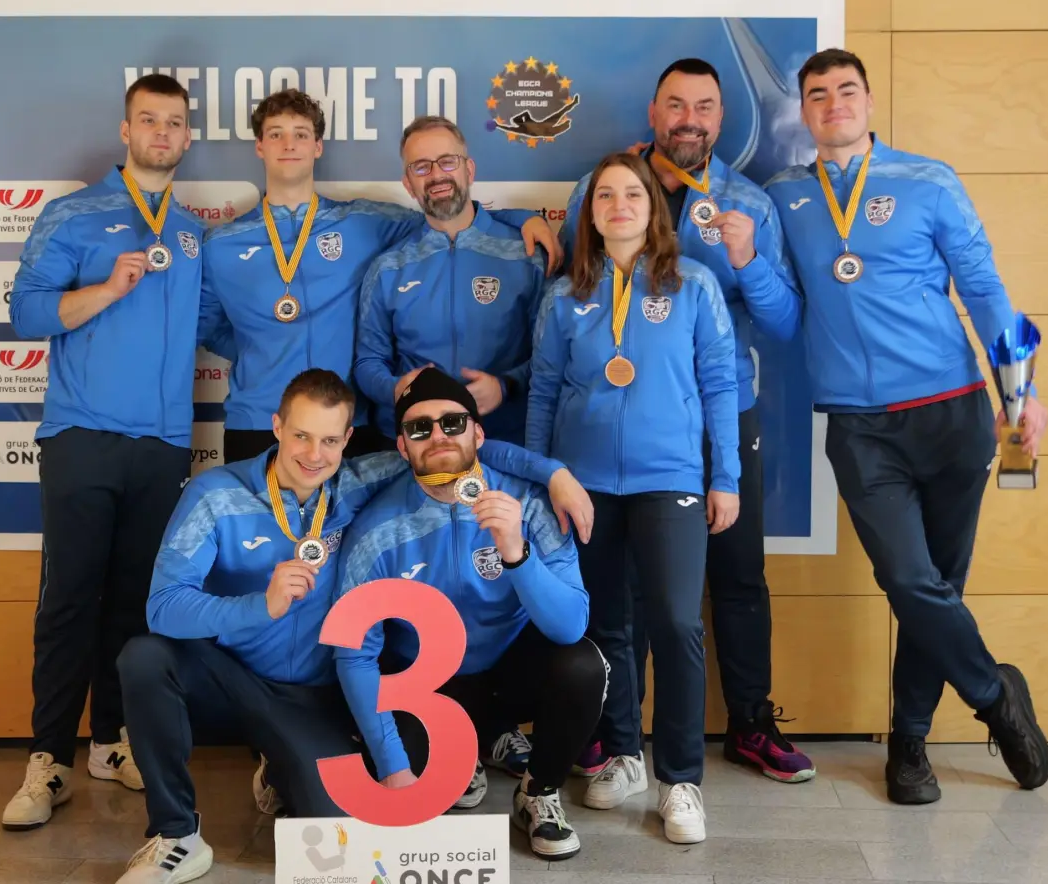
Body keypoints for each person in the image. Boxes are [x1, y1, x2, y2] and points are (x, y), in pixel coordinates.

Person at [112, 369, 586, 882]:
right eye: (301, 435)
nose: (315, 454)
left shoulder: (357, 481)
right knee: (145, 657)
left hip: (313, 696)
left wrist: (553, 472)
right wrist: (258, 606)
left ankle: (280, 763)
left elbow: (455, 452)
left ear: (347, 441)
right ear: (276, 426)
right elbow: (162, 607)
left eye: (331, 440)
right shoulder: (213, 493)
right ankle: (176, 835)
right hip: (227, 678)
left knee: (337, 832)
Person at [762, 48, 1048, 805]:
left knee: (938, 586)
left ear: (868, 98)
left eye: (846, 90)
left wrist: (1020, 391)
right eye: (817, 94)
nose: (833, 104)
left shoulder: (929, 180)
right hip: (859, 426)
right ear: (804, 110)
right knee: (909, 578)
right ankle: (995, 697)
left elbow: (985, 288)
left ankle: (910, 746)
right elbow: (786, 312)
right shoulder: (785, 195)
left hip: (953, 412)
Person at [557, 58, 812, 785]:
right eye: (676, 105)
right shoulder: (603, 188)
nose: (689, 119)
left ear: (721, 120)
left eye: (704, 107)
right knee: (626, 589)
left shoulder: (747, 203)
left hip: (723, 414)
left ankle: (751, 724)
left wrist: (747, 260)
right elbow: (567, 294)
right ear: (654, 112)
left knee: (736, 577)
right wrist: (535, 236)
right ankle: (616, 736)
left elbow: (786, 322)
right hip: (628, 423)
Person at [1, 73, 220, 830]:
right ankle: (48, 759)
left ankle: (111, 743)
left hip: (163, 445)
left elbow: (225, 322)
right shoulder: (73, 214)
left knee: (134, 603)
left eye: (175, 123)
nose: (162, 133)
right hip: (82, 436)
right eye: (148, 121)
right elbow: (26, 315)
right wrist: (106, 289)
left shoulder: (192, 230)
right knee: (68, 601)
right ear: (125, 132)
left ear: (188, 137)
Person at [526, 151, 740, 844]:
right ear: (589, 212)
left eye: (632, 194)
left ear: (654, 206)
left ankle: (681, 780)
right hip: (584, 485)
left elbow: (719, 386)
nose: (619, 205)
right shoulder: (564, 296)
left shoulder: (694, 285)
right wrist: (540, 475)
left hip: (671, 478)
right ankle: (625, 755)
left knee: (677, 623)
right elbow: (544, 393)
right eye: (605, 196)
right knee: (605, 626)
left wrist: (725, 476)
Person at [201, 89, 562, 465]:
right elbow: (208, 327)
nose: (288, 144)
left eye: (301, 134)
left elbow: (445, 216)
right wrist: (261, 346)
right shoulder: (221, 242)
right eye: (276, 134)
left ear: (318, 146)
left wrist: (523, 219)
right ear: (259, 146)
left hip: (345, 424)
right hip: (258, 420)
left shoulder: (364, 223)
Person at [333, 368, 606, 861]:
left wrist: (516, 554)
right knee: (395, 768)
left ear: (479, 433)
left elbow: (570, 625)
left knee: (584, 665)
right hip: (429, 689)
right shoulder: (377, 529)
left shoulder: (531, 502)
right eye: (419, 429)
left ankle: (538, 792)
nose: (438, 436)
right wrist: (394, 766)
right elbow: (355, 656)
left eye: (453, 423)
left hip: (508, 676)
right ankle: (465, 751)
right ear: (402, 447)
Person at [354, 115, 547, 449]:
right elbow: (368, 362)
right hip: (417, 449)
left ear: (468, 169)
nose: (436, 175)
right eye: (421, 167)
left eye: (447, 162)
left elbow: (554, 355)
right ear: (408, 184)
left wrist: (506, 386)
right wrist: (395, 388)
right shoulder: (388, 268)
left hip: (505, 444)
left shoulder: (523, 254)